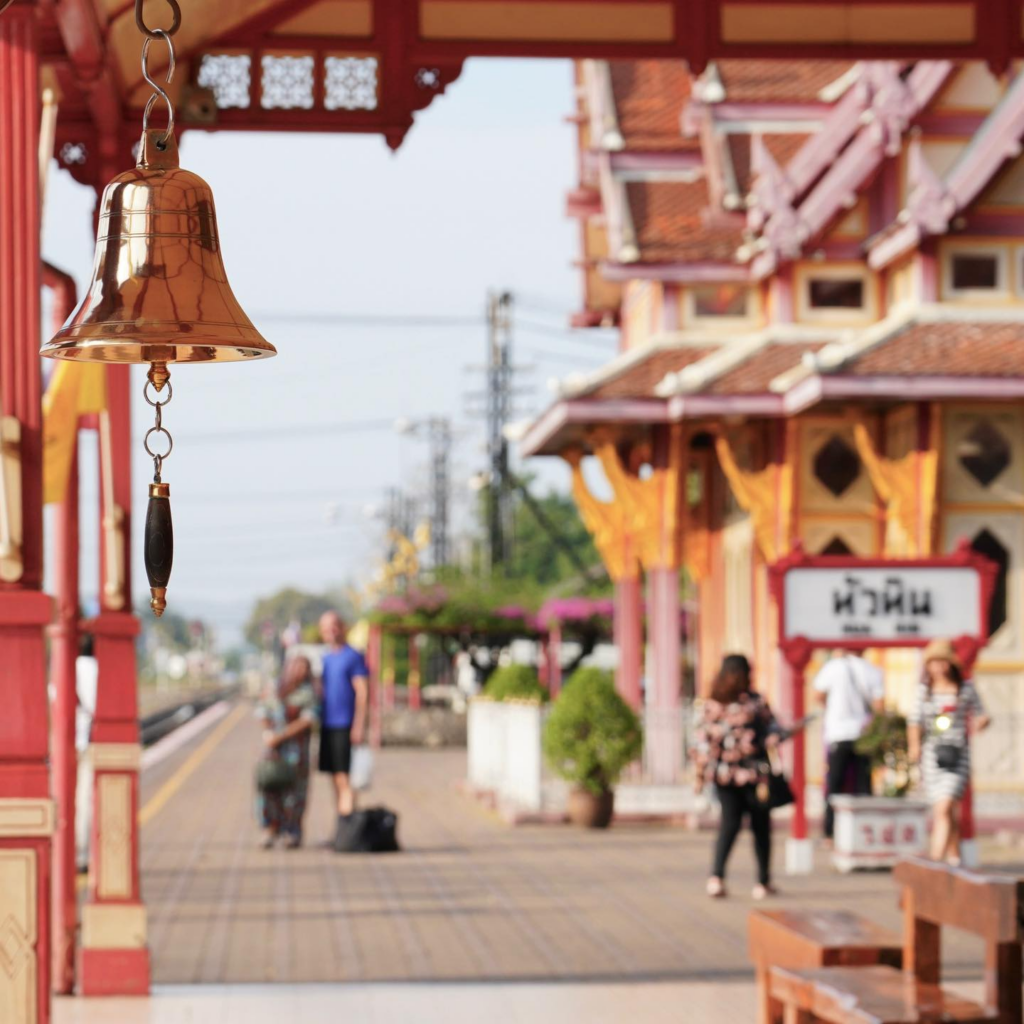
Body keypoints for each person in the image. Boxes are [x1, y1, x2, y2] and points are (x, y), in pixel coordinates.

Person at [693, 654, 781, 900]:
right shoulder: (741, 703)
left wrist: (700, 775)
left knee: (745, 826)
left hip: (739, 776)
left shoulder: (721, 703)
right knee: (744, 826)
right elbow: (703, 741)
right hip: (740, 776)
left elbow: (701, 743)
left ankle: (738, 878)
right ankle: (739, 879)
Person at [908, 639, 990, 865]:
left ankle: (935, 860)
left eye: (942, 662)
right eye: (934, 662)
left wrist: (980, 723)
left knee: (945, 806)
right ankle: (954, 857)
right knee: (943, 810)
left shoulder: (965, 688)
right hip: (932, 755)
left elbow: (982, 713)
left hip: (957, 753)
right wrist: (914, 746)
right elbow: (914, 721)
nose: (938, 667)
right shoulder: (924, 692)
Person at [813, 648, 885, 844]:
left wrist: (834, 707)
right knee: (864, 785)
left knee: (834, 784)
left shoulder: (834, 666)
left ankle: (829, 832)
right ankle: (866, 832)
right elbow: (879, 706)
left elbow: (817, 695)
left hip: (838, 732)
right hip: (864, 734)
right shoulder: (873, 670)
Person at [256, 655, 318, 849]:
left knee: (295, 793)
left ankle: (293, 831)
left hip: (297, 752)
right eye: (295, 666)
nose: (298, 671)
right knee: (269, 789)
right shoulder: (274, 687)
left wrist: (280, 735)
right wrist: (268, 732)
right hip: (274, 751)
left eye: (303, 668)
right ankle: (270, 829)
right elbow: (262, 711)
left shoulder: (309, 692)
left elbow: (308, 719)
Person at [318, 611, 369, 821]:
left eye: (335, 625)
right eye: (326, 627)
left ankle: (346, 827)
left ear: (343, 627)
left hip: (345, 725)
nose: (331, 630)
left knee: (345, 778)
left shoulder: (353, 656)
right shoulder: (326, 659)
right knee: (335, 778)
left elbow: (363, 692)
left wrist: (358, 726)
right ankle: (342, 825)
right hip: (327, 725)